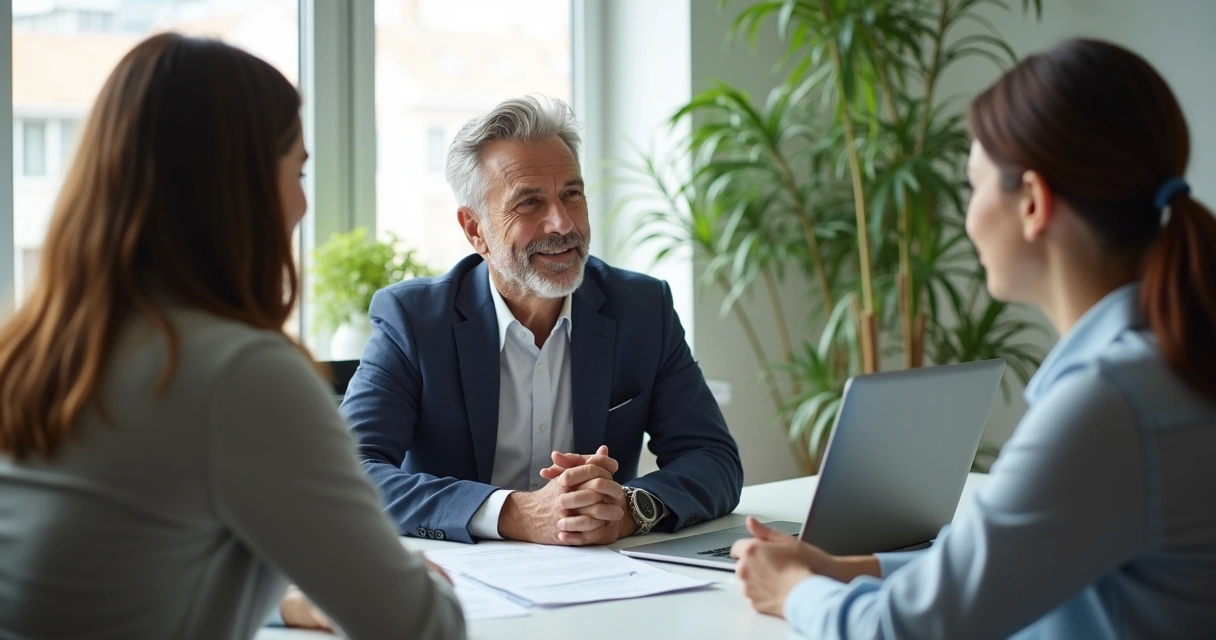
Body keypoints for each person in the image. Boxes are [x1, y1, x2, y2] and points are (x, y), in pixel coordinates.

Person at [730, 38, 1216, 639]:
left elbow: (905, 632)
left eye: (973, 185)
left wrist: (795, 591)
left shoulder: (1109, 404)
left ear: (1033, 203)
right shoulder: (1170, 363)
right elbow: (1004, 567)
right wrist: (848, 568)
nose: (967, 217)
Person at [0, 34, 464, 640]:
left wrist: (285, 598)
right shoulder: (241, 373)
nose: (302, 203)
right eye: (296, 171)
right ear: (235, 186)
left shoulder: (34, 350)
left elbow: (138, 569)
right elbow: (420, 628)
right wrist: (414, 577)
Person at [343, 96, 744, 546]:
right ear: (476, 229)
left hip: (606, 575)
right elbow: (349, 472)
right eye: (529, 202)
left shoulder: (642, 308)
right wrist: (513, 512)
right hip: (461, 582)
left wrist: (630, 509)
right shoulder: (413, 320)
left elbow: (713, 458)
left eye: (572, 194)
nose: (561, 222)